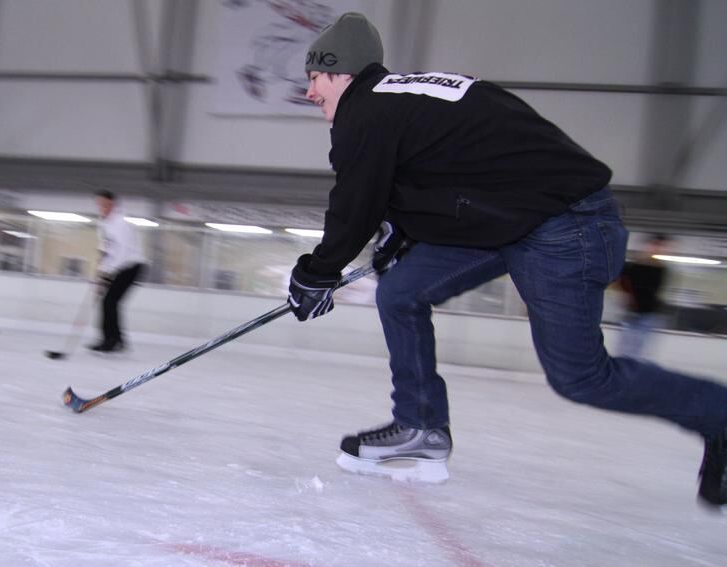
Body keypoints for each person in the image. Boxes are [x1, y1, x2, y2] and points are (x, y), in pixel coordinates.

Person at [285, 12, 726, 507]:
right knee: (401, 291)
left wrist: (317, 273)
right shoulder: (406, 97)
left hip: (566, 226)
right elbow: (457, 169)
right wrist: (403, 232)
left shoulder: (363, 112)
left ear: (341, 71)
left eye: (315, 78)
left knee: (582, 377)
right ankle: (422, 427)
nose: (310, 92)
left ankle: (720, 413)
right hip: (514, 220)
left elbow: (355, 204)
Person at [91, 190, 147, 353]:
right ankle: (114, 339)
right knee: (109, 302)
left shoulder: (120, 223)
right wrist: (101, 271)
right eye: (98, 204)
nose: (100, 207)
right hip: (118, 267)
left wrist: (107, 272)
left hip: (131, 266)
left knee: (109, 301)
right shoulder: (104, 224)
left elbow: (122, 252)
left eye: (103, 204)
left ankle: (112, 341)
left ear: (112, 204)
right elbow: (106, 250)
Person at [617, 234, 671, 359]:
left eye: (661, 246)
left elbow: (657, 290)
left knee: (641, 346)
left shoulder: (662, 269)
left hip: (649, 313)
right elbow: (622, 283)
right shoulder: (633, 267)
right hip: (634, 312)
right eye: (655, 245)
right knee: (628, 345)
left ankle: (634, 367)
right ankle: (624, 367)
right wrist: (627, 299)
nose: (658, 249)